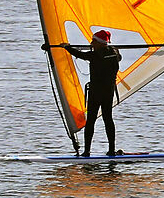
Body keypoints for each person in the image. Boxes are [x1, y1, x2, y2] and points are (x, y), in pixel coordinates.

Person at [44, 29, 125, 157]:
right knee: (108, 119)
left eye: (93, 41)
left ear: (99, 43)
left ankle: (86, 152)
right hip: (108, 92)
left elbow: (80, 54)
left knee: (91, 120)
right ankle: (111, 150)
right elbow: (115, 54)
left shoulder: (94, 55)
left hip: (96, 92)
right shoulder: (115, 53)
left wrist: (67, 47)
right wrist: (105, 47)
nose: (91, 43)